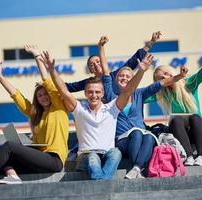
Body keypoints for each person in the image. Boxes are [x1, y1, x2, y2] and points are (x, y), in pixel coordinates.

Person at [0, 45, 69, 187]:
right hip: (40, 158)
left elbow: (47, 80)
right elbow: (17, 96)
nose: (43, 97)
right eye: (39, 95)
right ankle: (13, 176)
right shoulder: (36, 114)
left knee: (9, 146)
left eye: (46, 94)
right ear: (37, 99)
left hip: (54, 160)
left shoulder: (59, 107)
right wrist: (0, 77)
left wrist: (37, 56)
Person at [41, 49, 153, 180]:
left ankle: (100, 185)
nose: (94, 95)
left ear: (103, 94)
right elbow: (64, 91)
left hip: (107, 154)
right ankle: (103, 186)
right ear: (85, 94)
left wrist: (140, 72)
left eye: (97, 92)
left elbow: (128, 91)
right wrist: (52, 70)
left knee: (116, 153)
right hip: (86, 156)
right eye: (90, 92)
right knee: (93, 158)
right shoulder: (79, 109)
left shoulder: (111, 108)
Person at [98, 35, 188, 179]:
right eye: (121, 76)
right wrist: (101, 47)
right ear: (116, 80)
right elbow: (105, 71)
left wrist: (179, 76)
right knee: (137, 133)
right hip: (122, 140)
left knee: (150, 137)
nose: (125, 78)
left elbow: (162, 83)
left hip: (141, 137)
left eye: (128, 76)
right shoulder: (110, 95)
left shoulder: (139, 93)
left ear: (133, 79)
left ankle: (137, 168)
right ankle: (137, 167)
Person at [151, 37, 202, 166]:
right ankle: (189, 156)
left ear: (171, 72)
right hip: (179, 136)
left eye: (165, 73)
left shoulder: (188, 83)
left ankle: (201, 156)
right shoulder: (162, 94)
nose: (164, 78)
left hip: (198, 133)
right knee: (176, 119)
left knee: (195, 117)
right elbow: (138, 95)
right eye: (160, 79)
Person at [66, 31, 162, 94]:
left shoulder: (117, 75)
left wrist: (152, 41)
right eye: (92, 65)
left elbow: (135, 58)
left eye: (98, 61)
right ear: (90, 70)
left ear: (104, 62)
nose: (96, 64)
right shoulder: (89, 82)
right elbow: (69, 87)